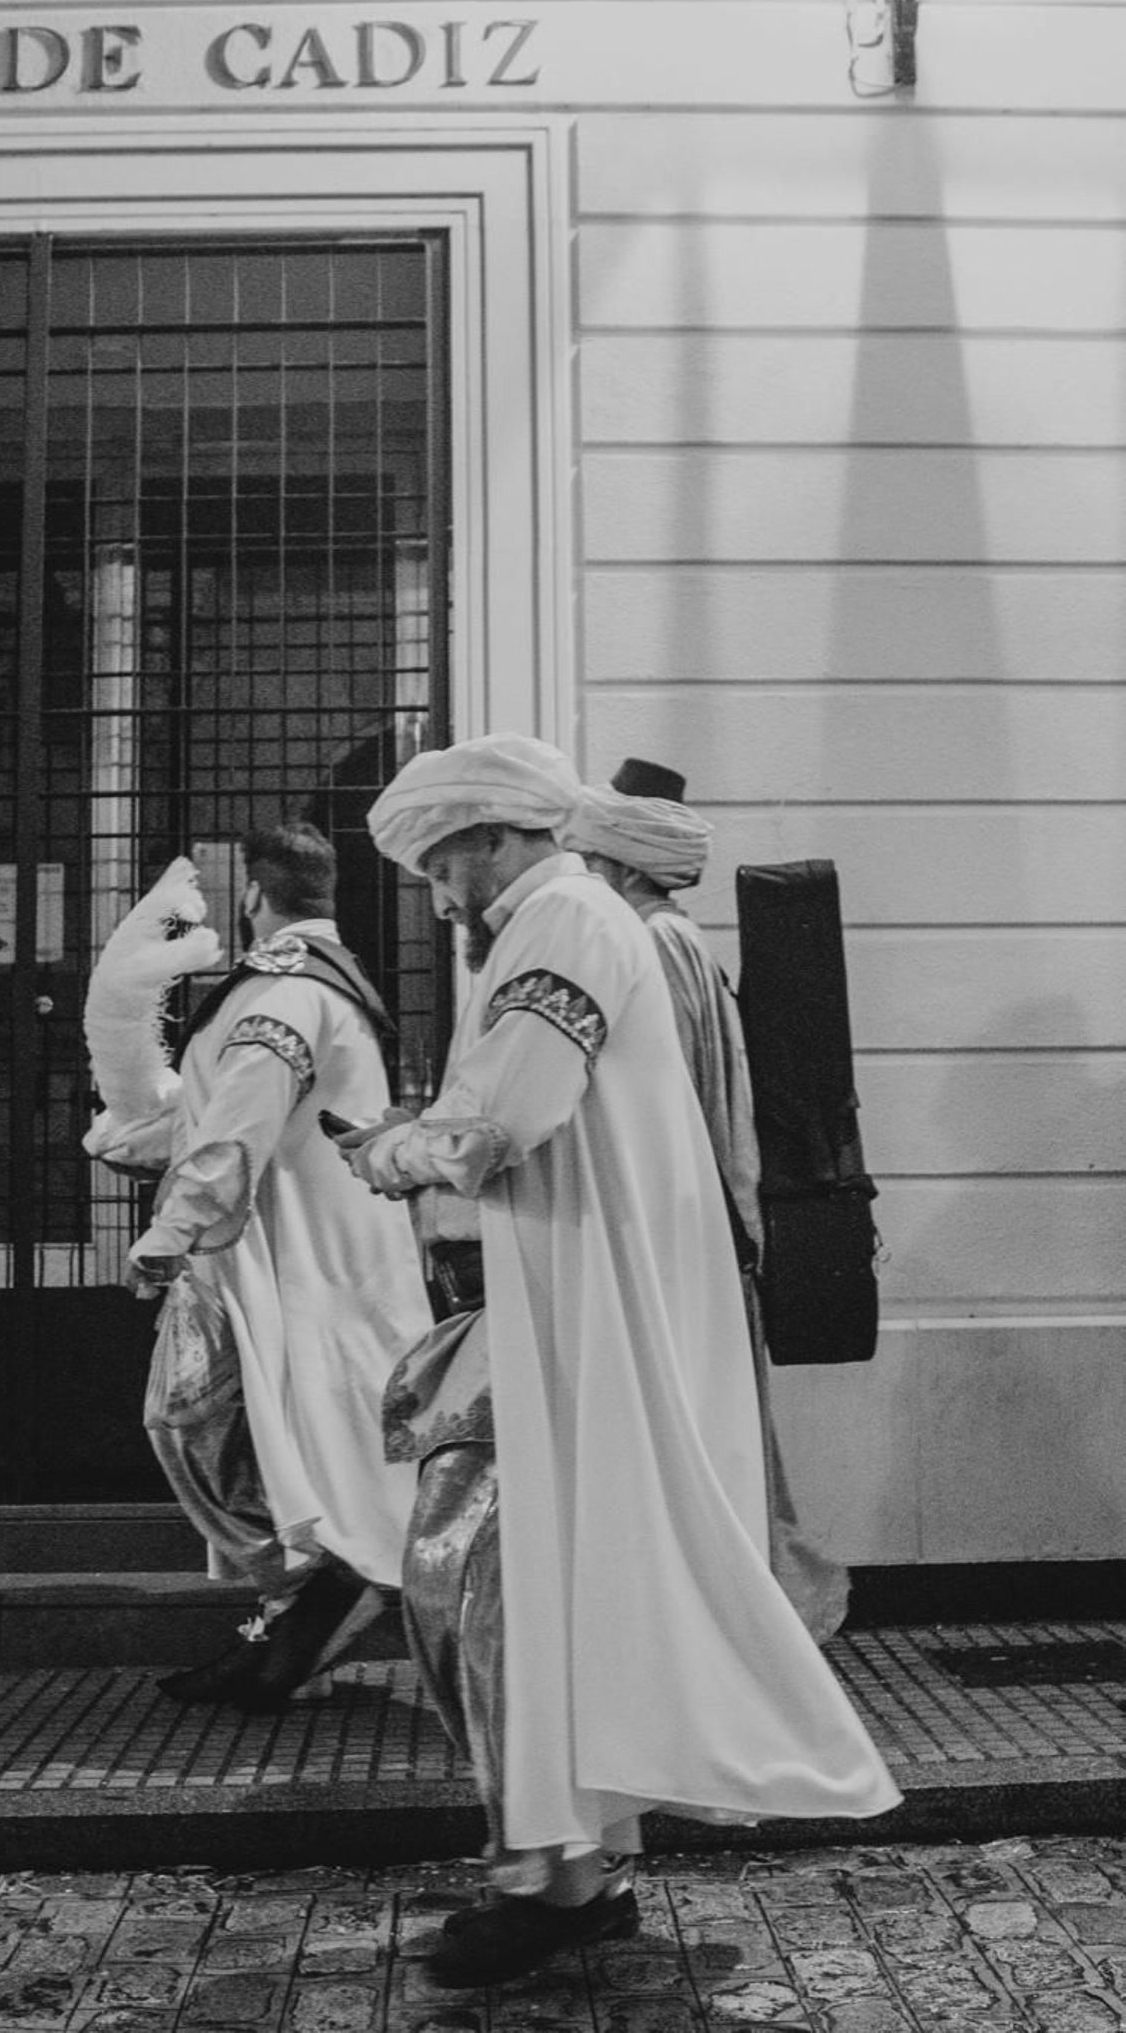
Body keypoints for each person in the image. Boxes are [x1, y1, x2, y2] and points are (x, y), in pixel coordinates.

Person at [331, 735, 898, 1988]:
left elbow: (498, 1120)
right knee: (535, 1580)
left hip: (591, 1313)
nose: (438, 896)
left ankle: (556, 1872)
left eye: (439, 865)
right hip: (573, 1303)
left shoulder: (562, 919)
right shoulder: (583, 918)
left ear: (488, 837)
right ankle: (565, 1867)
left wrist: (391, 1152)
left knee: (482, 1572)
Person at [116, 822, 430, 1710]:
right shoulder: (327, 986)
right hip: (322, 1257)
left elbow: (239, 1126)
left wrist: (166, 1235)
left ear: (254, 895)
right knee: (293, 1437)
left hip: (287, 1260)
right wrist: (139, 1141)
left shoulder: (284, 994)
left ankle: (325, 1585)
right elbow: (232, 1115)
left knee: (190, 1419)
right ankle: (297, 1620)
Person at [573, 757, 851, 1645]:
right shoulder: (681, 937)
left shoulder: (647, 945)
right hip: (713, 1231)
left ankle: (730, 1625)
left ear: (620, 867)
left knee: (692, 1438)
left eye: (590, 864)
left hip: (679, 1233)